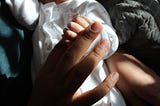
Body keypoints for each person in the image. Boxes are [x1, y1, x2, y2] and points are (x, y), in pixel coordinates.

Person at [5, 0, 126, 105]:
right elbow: (25, 14)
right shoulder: (40, 11)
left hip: (99, 96)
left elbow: (111, 39)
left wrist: (93, 38)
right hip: (50, 95)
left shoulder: (87, 5)